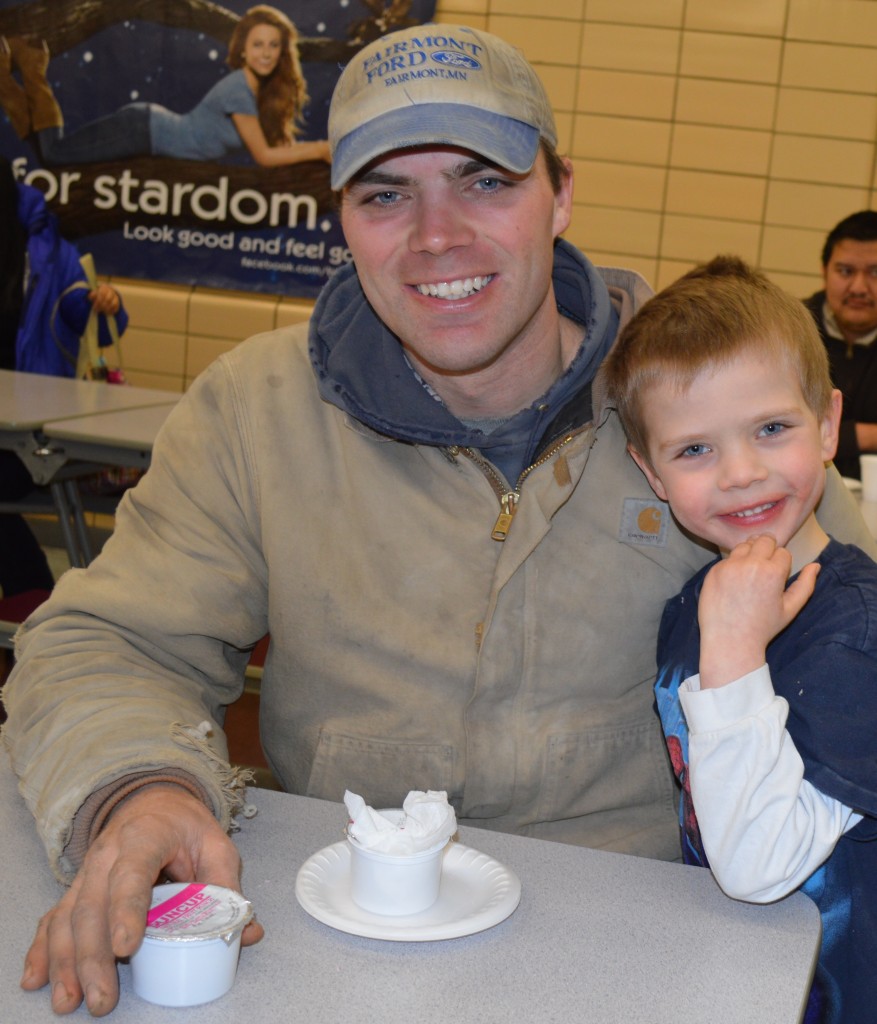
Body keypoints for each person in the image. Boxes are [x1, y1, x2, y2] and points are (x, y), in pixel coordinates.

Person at [1, 24, 874, 1018]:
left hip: (648, 948)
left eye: (484, 181)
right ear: (339, 219)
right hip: (331, 936)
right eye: (384, 195)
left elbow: (856, 634)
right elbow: (107, 641)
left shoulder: (701, 413)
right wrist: (138, 787)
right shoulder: (257, 409)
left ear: (563, 193)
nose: (437, 236)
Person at [604, 255, 877, 1024]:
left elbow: (759, 868)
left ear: (825, 424)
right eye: (693, 449)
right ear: (650, 473)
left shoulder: (855, 635)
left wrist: (731, 655)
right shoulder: (701, 600)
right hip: (749, 974)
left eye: (770, 428)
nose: (740, 473)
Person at [0, 155, 128, 598]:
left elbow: (79, 308)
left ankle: (33, 609)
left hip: (29, 432)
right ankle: (32, 612)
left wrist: (105, 301)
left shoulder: (48, 251)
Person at [0, 6, 331, 168]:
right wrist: (319, 149)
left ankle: (11, 76)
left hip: (148, 129)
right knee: (55, 155)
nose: (267, 54)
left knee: (46, 153)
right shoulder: (238, 89)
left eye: (273, 45)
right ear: (242, 48)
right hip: (143, 129)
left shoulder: (260, 90)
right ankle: (34, 68)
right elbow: (265, 156)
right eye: (258, 45)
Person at [804, 210, 877, 478]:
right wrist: (865, 436)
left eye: (875, 273)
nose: (859, 288)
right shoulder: (786, 332)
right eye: (845, 271)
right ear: (824, 271)